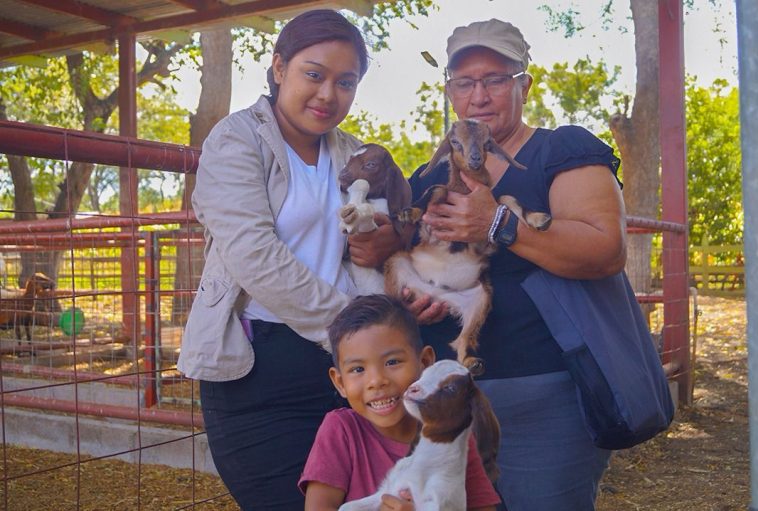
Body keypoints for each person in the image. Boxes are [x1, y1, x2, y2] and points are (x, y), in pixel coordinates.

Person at [348, 18, 626, 511]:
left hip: (545, 393)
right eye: (464, 82)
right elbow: (403, 256)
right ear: (450, 91)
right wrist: (409, 294)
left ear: (525, 85)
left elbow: (606, 251)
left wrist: (498, 222)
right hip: (445, 401)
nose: (479, 95)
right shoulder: (429, 175)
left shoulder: (560, 151)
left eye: (495, 79)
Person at [177, 10, 372, 510]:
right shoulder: (236, 139)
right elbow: (253, 254)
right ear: (280, 67)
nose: (328, 94)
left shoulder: (355, 154)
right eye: (314, 74)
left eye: (345, 82)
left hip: (348, 365)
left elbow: (370, 250)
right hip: (260, 365)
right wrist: (357, 327)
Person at [300, 294, 500, 511]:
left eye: (392, 362)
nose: (376, 381)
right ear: (340, 383)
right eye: (358, 369)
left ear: (425, 363)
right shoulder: (342, 430)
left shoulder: (454, 435)